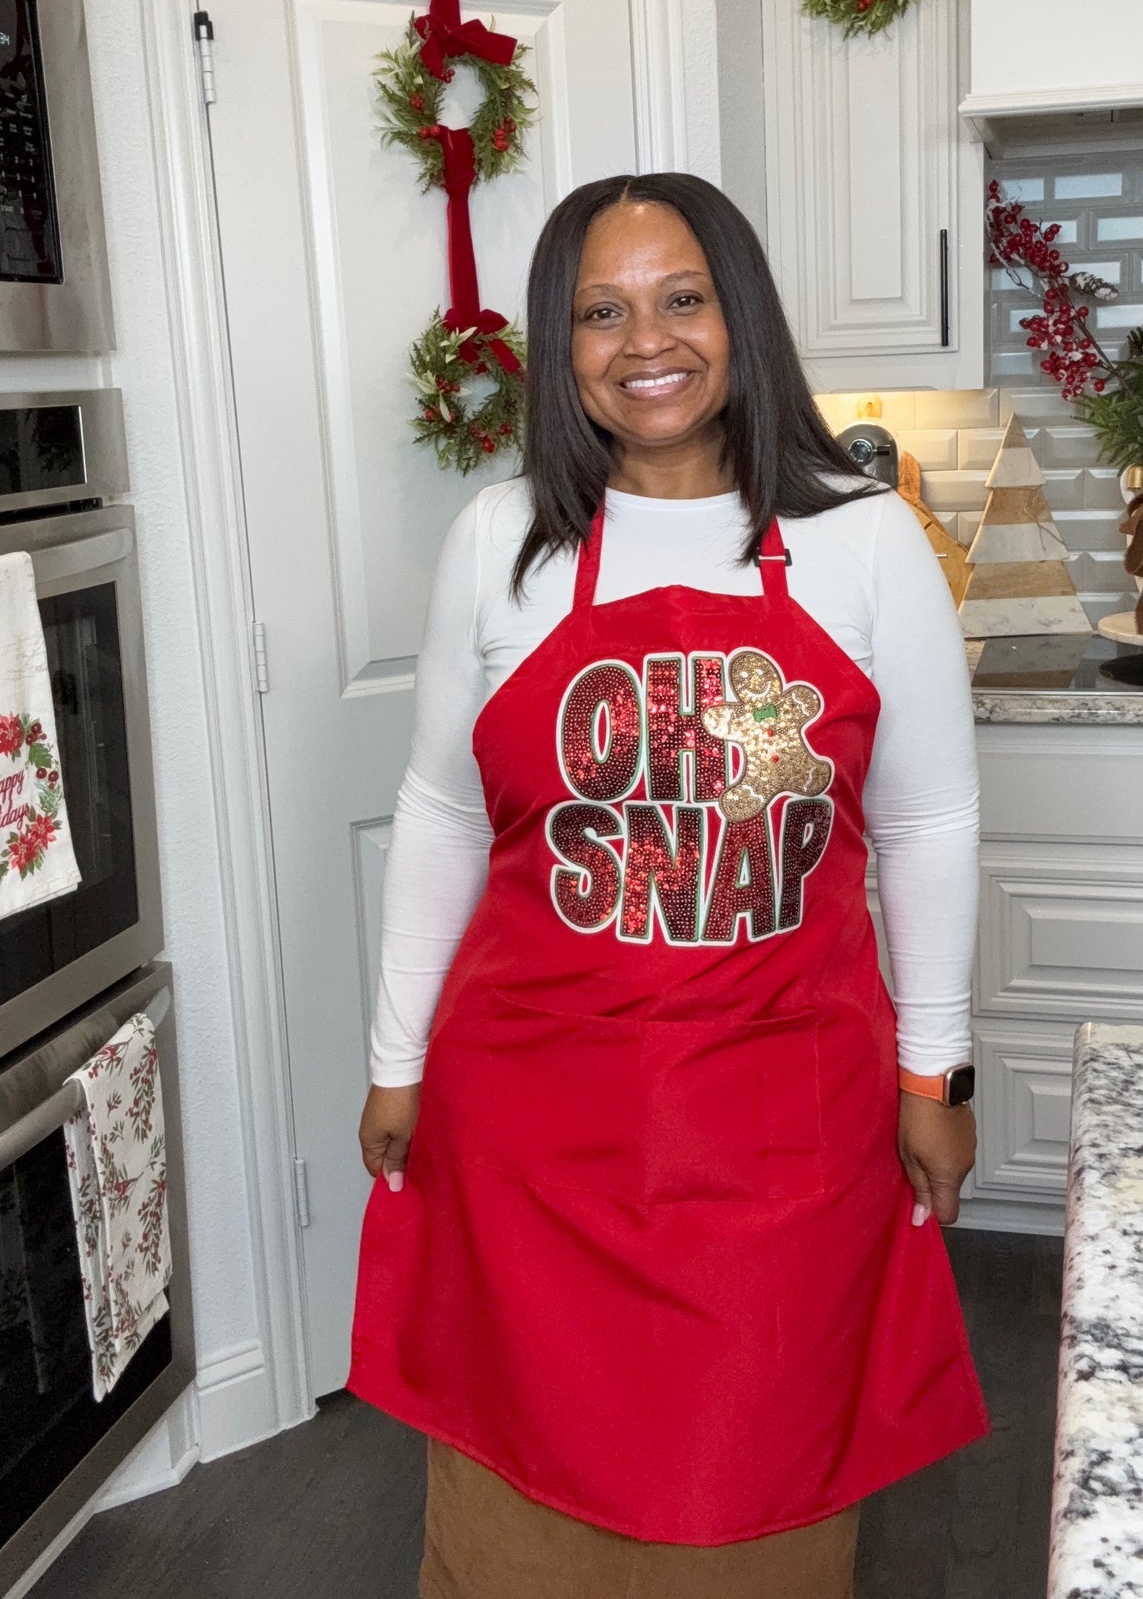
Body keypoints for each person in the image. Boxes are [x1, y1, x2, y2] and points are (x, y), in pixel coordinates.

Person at [349, 173, 987, 1599]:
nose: (647, 338)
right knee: (521, 1475)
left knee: (759, 1461)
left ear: (738, 315)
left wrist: (933, 1079)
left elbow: (931, 821)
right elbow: (442, 813)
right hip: (529, 1121)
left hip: (779, 1123)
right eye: (600, 309)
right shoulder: (497, 544)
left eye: (681, 296)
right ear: (560, 347)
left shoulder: (866, 544)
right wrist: (397, 1064)